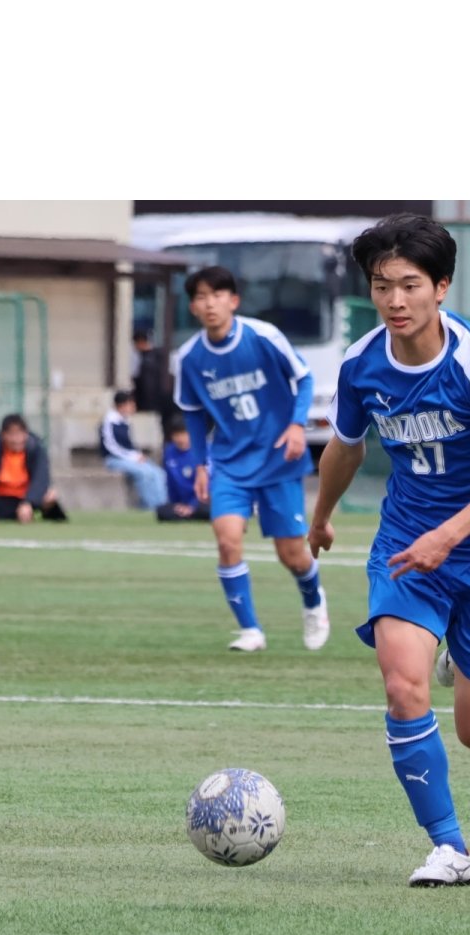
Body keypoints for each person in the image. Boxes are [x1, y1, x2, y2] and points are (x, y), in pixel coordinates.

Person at [307, 213, 470, 887]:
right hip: (406, 547)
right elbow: (346, 446)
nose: (395, 300)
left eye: (410, 285)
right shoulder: (362, 363)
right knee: (402, 686)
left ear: (441, 286)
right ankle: (450, 849)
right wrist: (321, 516)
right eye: (382, 286)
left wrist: (449, 536)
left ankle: (464, 659)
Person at [175, 265, 329, 653]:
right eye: (201, 297)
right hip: (229, 463)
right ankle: (251, 631)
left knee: (292, 555)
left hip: (278, 459)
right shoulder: (190, 357)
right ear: (193, 307)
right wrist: (200, 464)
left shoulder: (263, 336)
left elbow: (304, 378)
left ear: (234, 301)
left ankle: (313, 600)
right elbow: (193, 413)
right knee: (227, 542)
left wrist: (297, 426)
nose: (210, 304)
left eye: (217, 295)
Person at [0, 412, 67, 523]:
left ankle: (38, 515)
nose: (16, 439)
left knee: (50, 495)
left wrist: (29, 502)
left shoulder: (36, 450)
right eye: (11, 434)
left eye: (20, 434)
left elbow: (41, 479)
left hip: (25, 498)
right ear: (3, 435)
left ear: (26, 434)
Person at [99, 389, 168, 510]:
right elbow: (112, 447)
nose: (133, 407)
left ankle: (163, 505)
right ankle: (151, 507)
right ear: (122, 405)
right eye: (131, 404)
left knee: (158, 473)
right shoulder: (109, 422)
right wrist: (133, 457)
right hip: (114, 459)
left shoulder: (125, 421)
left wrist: (138, 455)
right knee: (144, 473)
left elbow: (129, 445)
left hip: (130, 458)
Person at [156, 416, 210, 523]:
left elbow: (210, 484)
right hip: (184, 502)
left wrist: (193, 505)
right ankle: (187, 514)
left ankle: (190, 513)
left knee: (207, 510)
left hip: (204, 501)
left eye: (184, 434)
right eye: (177, 435)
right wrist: (176, 504)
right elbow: (171, 482)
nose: (180, 439)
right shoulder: (169, 452)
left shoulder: (205, 450)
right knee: (162, 511)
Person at [132, 328, 174, 440]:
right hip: (168, 398)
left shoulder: (146, 360)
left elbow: (147, 385)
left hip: (155, 401)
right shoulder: (162, 354)